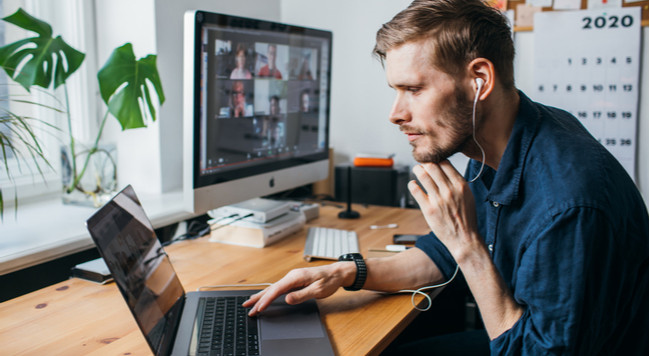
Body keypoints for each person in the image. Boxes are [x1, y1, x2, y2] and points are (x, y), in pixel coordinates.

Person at [243, 1, 649, 354]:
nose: (396, 113)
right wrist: (343, 272)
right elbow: (440, 254)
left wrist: (467, 245)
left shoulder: (568, 205)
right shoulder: (497, 135)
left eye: (414, 89)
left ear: (480, 80)